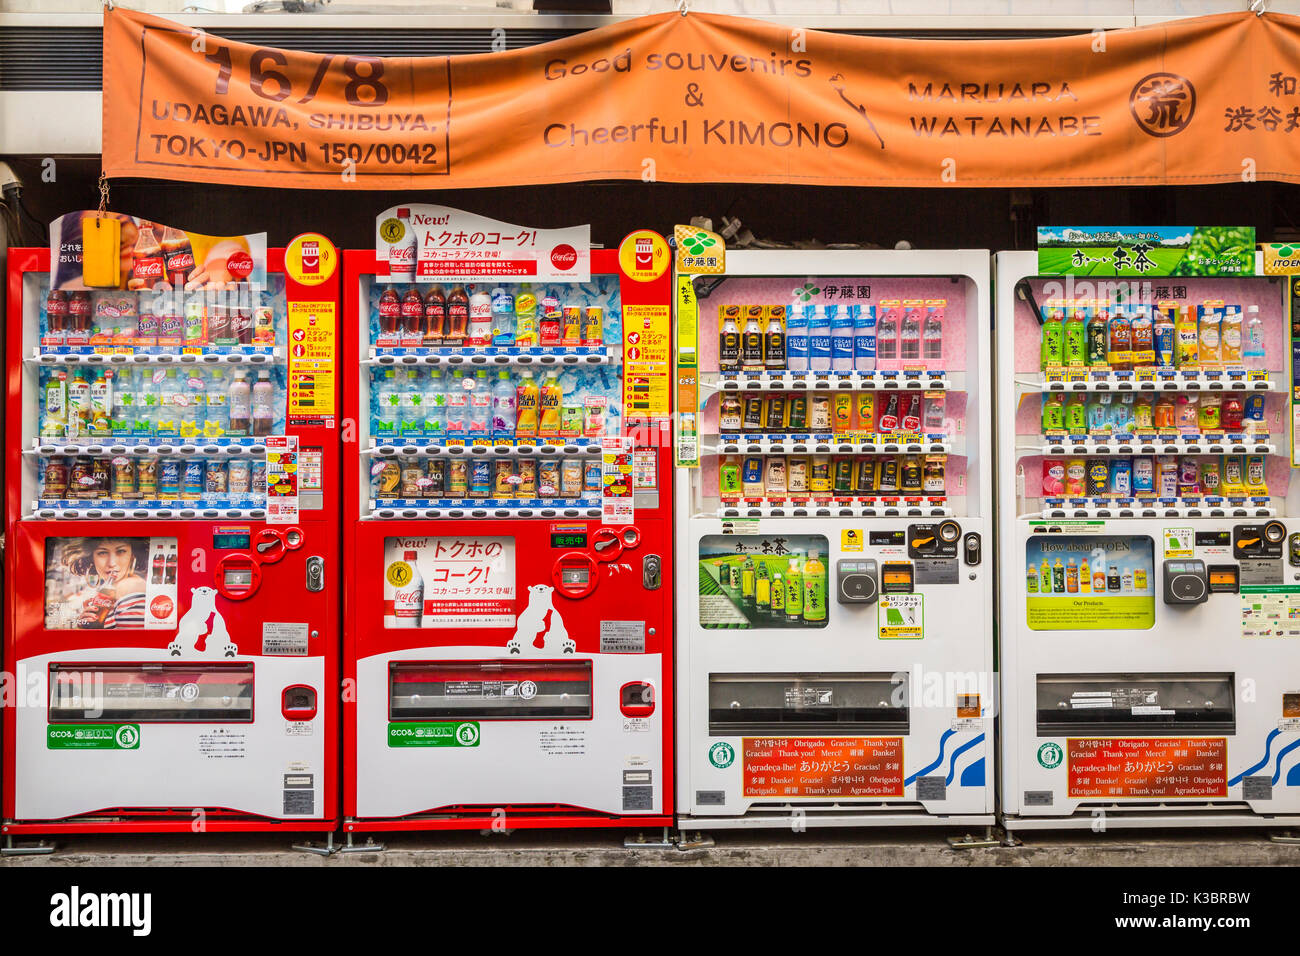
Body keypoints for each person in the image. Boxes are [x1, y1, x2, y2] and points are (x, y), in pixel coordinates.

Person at [62, 536, 149, 628]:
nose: (111, 563)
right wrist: (87, 623)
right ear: (92, 558)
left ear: (132, 554)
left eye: (121, 551)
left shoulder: (130, 586)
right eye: (102, 553)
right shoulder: (113, 588)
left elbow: (130, 640)